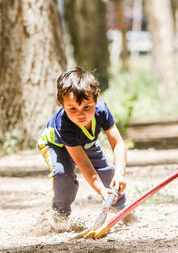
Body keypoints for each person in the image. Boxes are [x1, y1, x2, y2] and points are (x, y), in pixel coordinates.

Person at [38, 67, 128, 218]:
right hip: (55, 145)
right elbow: (83, 163)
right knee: (63, 174)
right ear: (62, 105)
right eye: (72, 109)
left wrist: (120, 174)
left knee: (107, 172)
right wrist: (101, 190)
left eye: (87, 107)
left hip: (84, 141)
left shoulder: (101, 110)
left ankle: (120, 207)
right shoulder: (64, 124)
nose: (81, 114)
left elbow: (118, 143)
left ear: (96, 99)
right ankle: (60, 215)